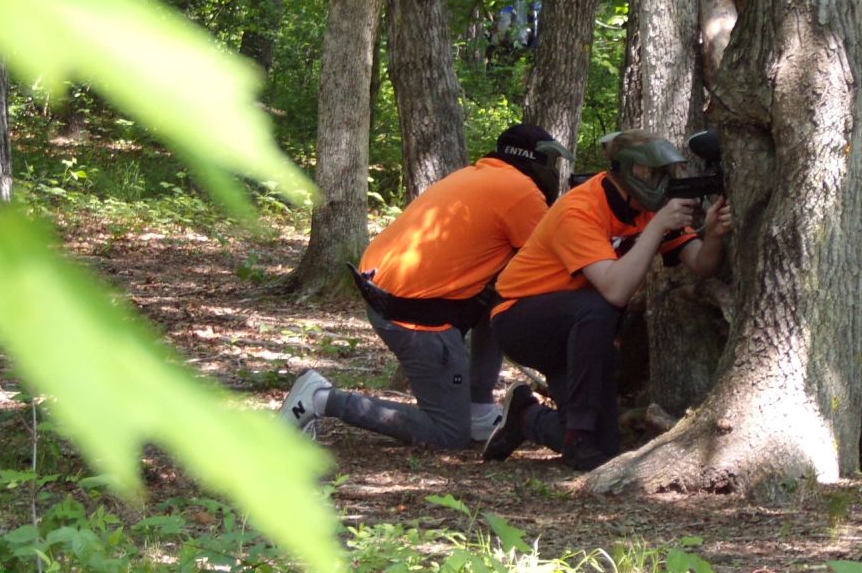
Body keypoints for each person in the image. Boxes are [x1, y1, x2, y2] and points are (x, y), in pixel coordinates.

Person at [280, 124, 573, 449]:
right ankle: (320, 399)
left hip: (387, 292)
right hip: (416, 317)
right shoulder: (522, 194)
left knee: (502, 297)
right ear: (536, 161)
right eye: (552, 164)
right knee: (448, 434)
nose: (554, 173)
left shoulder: (479, 175)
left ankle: (478, 409)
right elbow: (559, 265)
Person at [482, 129, 730, 472]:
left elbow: (702, 265)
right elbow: (615, 290)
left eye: (665, 172)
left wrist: (714, 233)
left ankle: (527, 418)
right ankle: (579, 436)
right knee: (598, 308)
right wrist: (657, 227)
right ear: (627, 170)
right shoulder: (580, 209)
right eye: (651, 172)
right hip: (520, 319)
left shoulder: (649, 210)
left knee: (604, 447)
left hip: (580, 331)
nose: (661, 181)